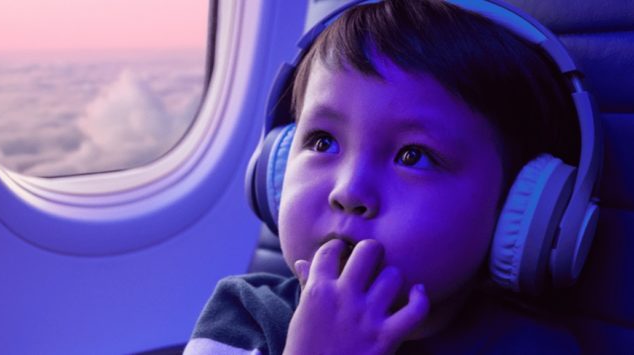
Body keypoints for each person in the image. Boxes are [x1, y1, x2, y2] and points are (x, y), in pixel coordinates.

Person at [185, 0, 585, 353]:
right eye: (323, 142)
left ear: (517, 210)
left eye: (414, 156)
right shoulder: (244, 319)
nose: (349, 191)